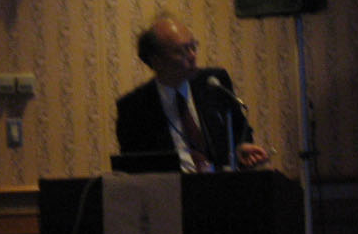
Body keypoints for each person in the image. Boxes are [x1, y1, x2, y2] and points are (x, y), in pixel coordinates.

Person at [115, 12, 270, 171]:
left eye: (193, 46)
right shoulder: (133, 108)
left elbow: (240, 131)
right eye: (182, 51)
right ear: (157, 61)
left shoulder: (214, 83)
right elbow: (133, 168)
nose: (193, 55)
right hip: (172, 186)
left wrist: (241, 149)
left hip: (222, 183)